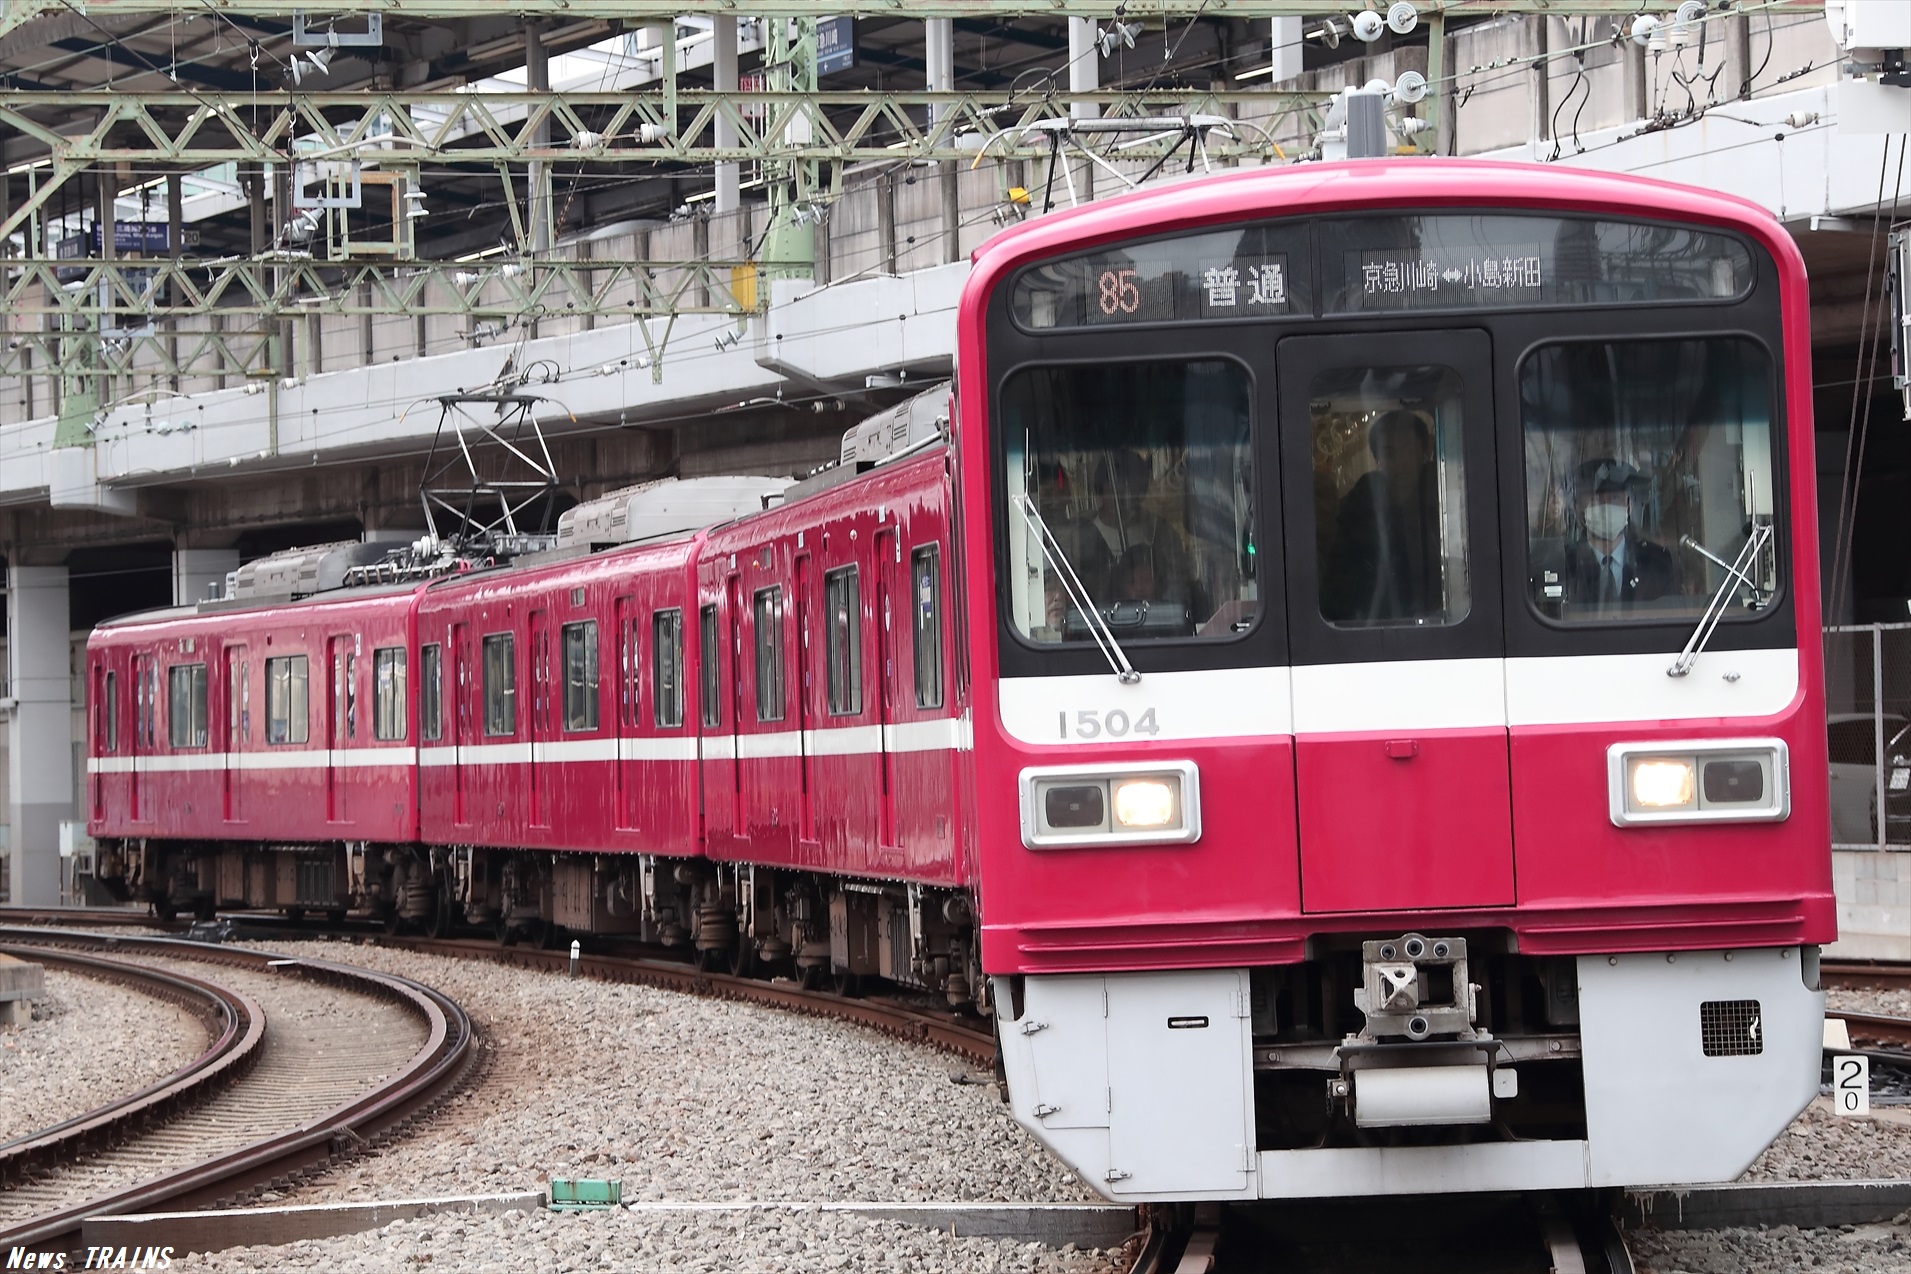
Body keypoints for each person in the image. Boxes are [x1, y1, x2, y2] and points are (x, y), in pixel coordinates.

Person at [1323, 410, 1442, 624]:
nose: (1400, 463)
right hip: (1366, 625)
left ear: (1425, 451)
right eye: (1389, 453)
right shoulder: (1357, 507)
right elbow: (1337, 581)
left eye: (1409, 450)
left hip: (1439, 624)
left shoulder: (1445, 497)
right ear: (1377, 458)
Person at [1545, 457, 1675, 613]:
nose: (1606, 507)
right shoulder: (1561, 564)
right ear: (1577, 507)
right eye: (1596, 499)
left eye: (1614, 498)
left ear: (1629, 506)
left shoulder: (1656, 564)